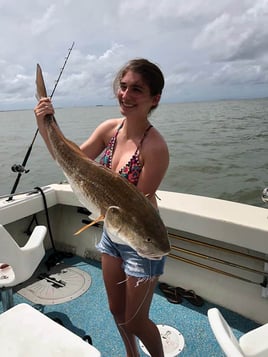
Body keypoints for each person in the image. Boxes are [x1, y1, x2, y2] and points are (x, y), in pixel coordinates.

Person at [34, 58, 169, 357]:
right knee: (115, 309)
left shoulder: (155, 148)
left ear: (154, 98)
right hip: (112, 235)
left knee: (136, 320)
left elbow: (136, 207)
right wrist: (45, 122)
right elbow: (68, 159)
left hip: (140, 240)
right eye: (123, 87)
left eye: (137, 89)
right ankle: (131, 355)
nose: (126, 94)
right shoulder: (109, 128)